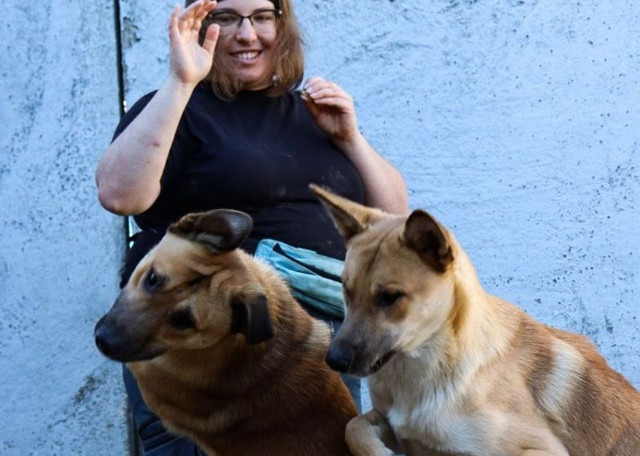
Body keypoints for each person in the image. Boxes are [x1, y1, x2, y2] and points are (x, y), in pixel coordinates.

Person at [96, 0, 408, 454]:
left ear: (282, 26)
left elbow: (393, 223)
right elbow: (120, 195)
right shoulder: (179, 106)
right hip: (207, 340)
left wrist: (350, 138)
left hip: (320, 332)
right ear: (200, 27)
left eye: (262, 17)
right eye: (226, 18)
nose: (247, 34)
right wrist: (181, 81)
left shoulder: (314, 115)